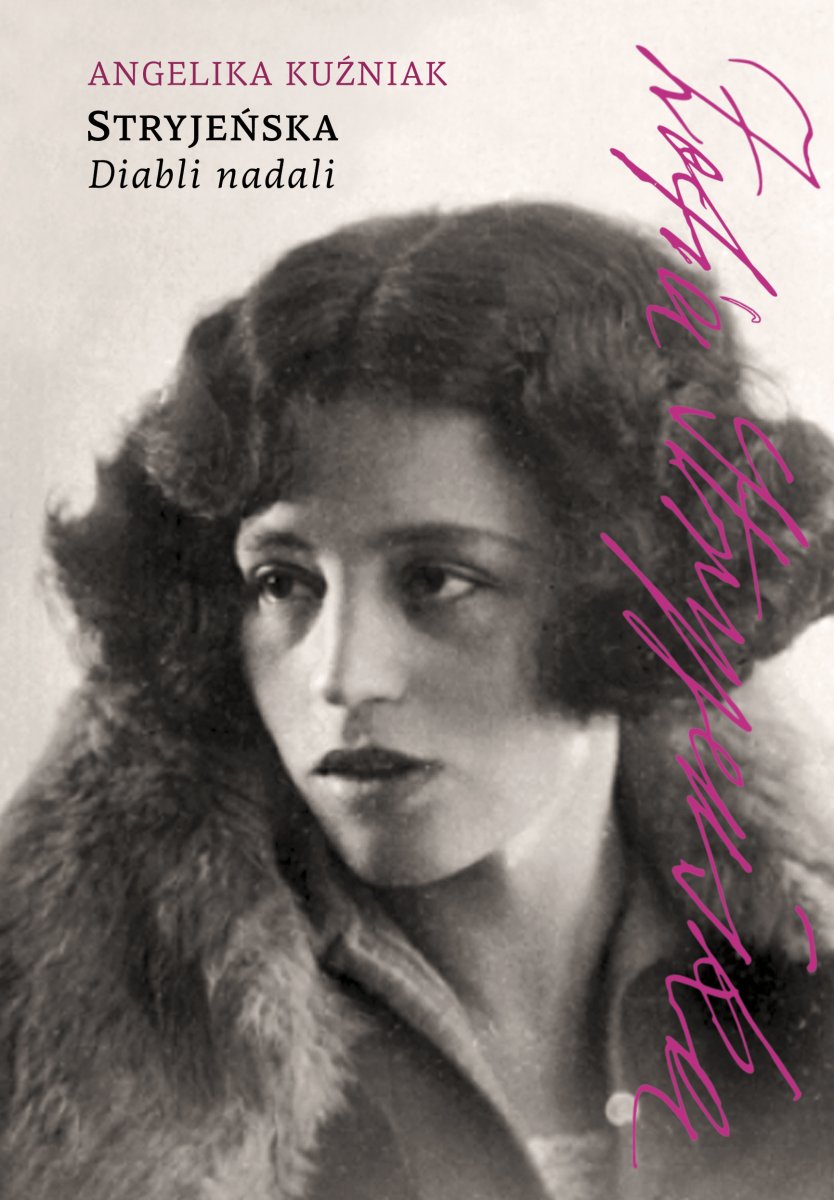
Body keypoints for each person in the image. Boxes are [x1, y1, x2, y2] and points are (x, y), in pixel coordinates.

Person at [1, 202, 833, 1200]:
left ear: (627, 590)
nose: (341, 677)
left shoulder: (803, 989)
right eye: (282, 582)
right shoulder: (56, 1040)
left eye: (437, 579)